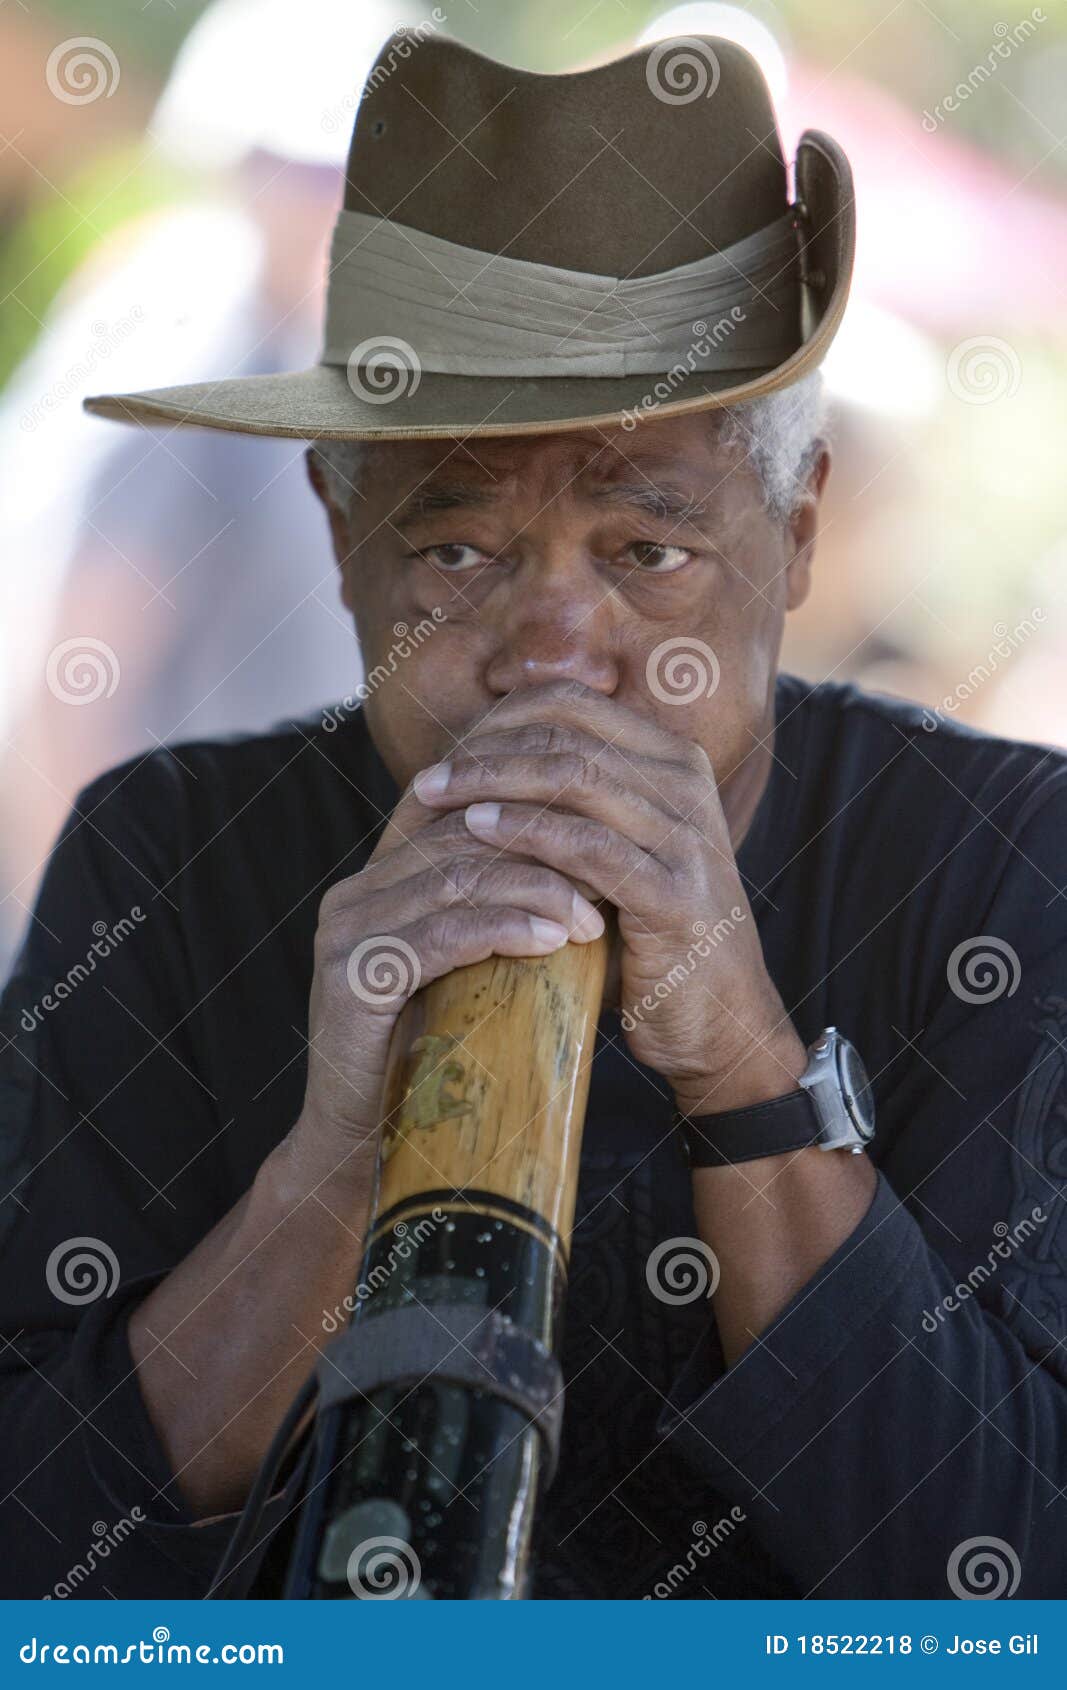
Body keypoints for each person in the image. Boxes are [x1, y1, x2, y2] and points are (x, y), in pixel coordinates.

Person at [1, 30, 1064, 1601]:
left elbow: (1013, 1581)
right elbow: (43, 1573)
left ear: (801, 529)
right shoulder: (161, 858)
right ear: (338, 527)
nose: (550, 653)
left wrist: (749, 1071)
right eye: (456, 555)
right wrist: (330, 1161)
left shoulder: (1007, 863)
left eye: (645, 551)